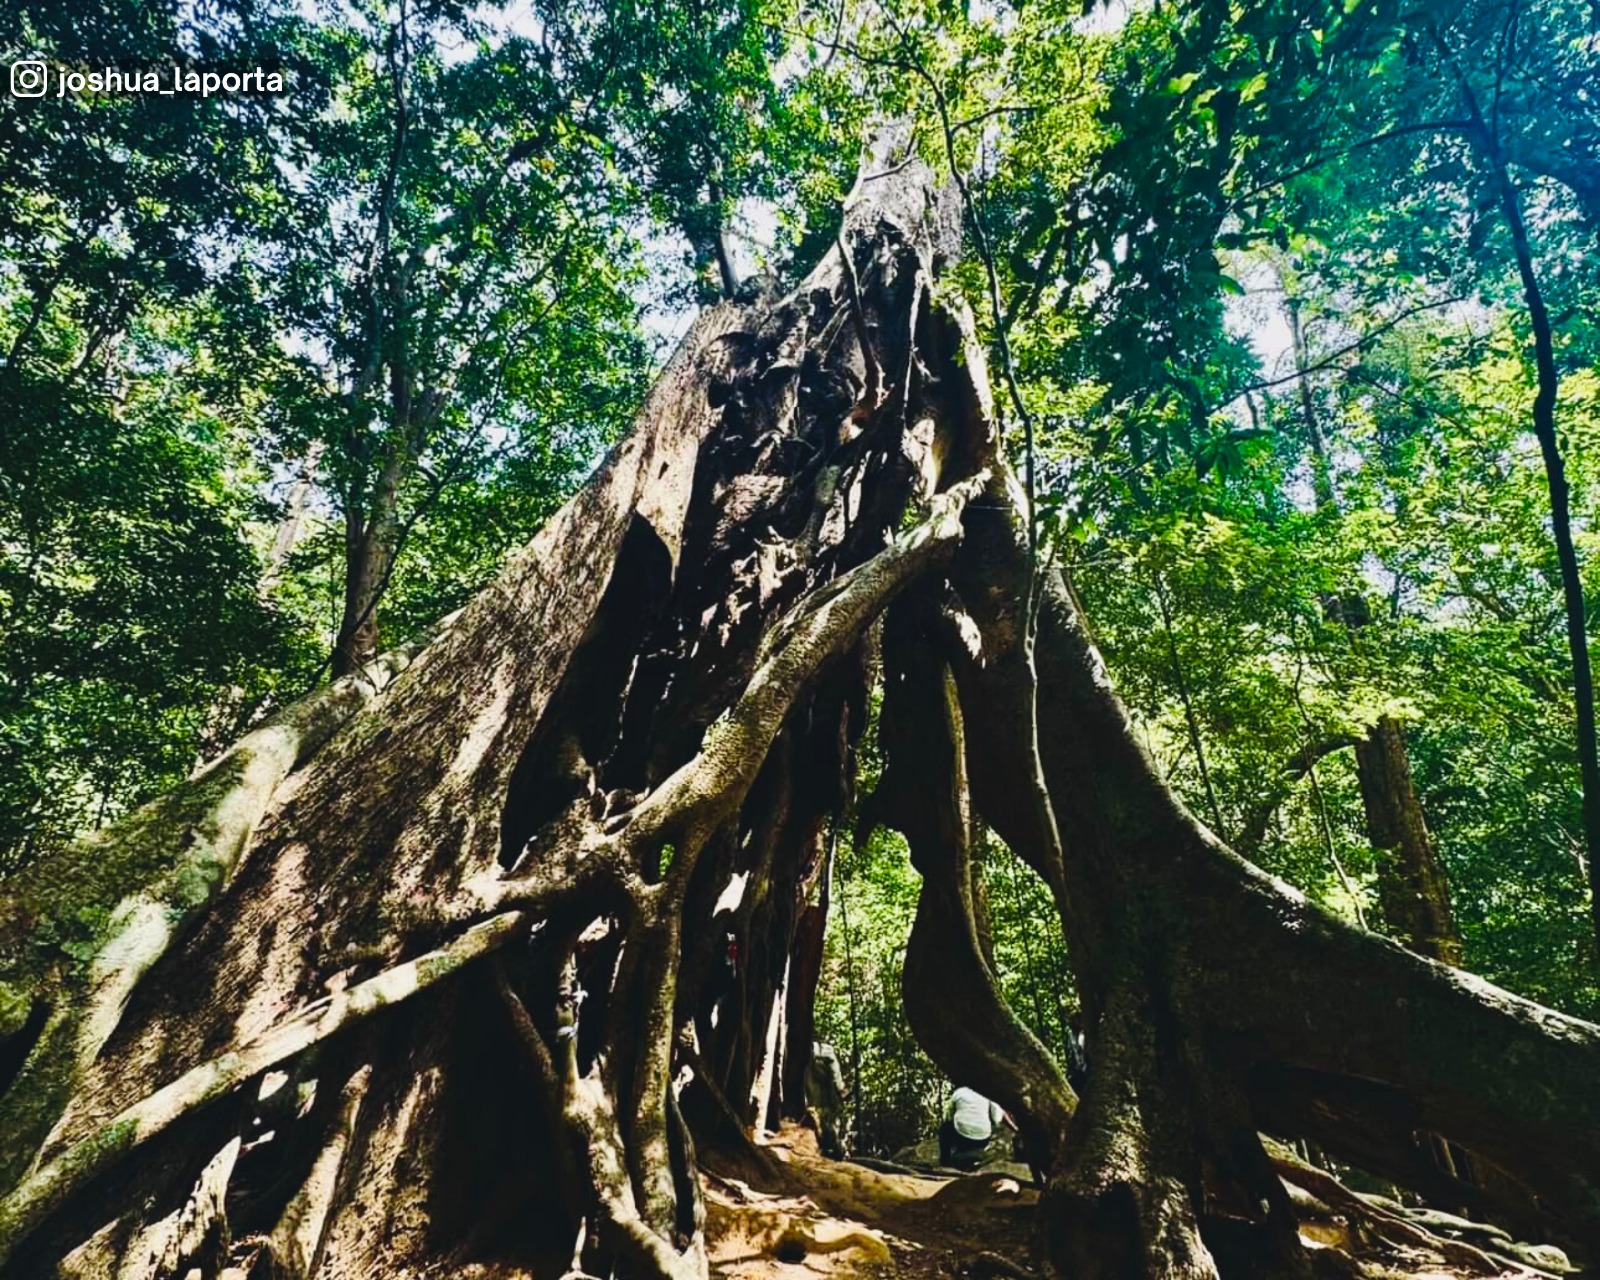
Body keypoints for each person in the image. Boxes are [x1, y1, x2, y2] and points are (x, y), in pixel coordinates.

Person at [939, 1084, 1013, 1170]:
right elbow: (997, 1117)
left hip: (961, 1136)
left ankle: (945, 1162)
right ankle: (973, 1155)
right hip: (982, 1138)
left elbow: (949, 1114)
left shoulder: (959, 1092)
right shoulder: (987, 1093)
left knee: (945, 1128)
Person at [804, 1040, 849, 1158]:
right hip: (826, 1104)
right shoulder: (828, 1053)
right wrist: (840, 1089)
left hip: (815, 1103)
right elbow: (836, 1078)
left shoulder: (806, 1056)